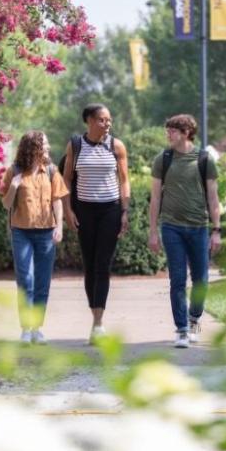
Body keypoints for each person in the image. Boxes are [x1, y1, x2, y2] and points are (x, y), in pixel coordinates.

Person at [148, 114, 221, 348]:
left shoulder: (204, 159)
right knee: (177, 279)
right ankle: (181, 329)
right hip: (171, 227)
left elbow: (213, 197)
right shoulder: (164, 159)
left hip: (199, 227)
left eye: (172, 131)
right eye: (167, 130)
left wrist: (216, 230)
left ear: (187, 132)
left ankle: (194, 322)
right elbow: (156, 198)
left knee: (201, 280)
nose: (168, 135)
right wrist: (152, 231)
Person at [63, 104, 131, 343]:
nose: (107, 124)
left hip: (110, 210)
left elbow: (124, 181)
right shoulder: (76, 145)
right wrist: (67, 209)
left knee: (103, 265)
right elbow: (67, 179)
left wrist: (125, 211)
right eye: (102, 120)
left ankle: (98, 323)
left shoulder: (117, 146)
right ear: (89, 121)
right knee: (89, 264)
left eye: (109, 120)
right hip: (84, 211)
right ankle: (95, 315)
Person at [1, 131, 68, 344]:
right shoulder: (14, 171)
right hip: (21, 232)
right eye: (45, 144)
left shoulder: (51, 171)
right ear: (33, 147)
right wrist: (13, 186)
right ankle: (25, 329)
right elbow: (6, 204)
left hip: (46, 232)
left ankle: (37, 328)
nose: (48, 147)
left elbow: (57, 200)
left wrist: (59, 226)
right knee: (25, 279)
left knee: (42, 282)